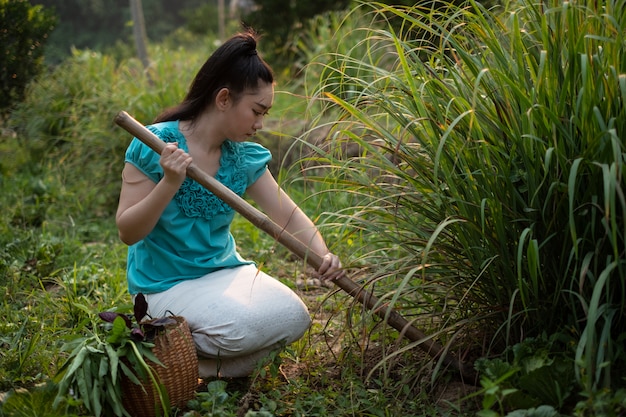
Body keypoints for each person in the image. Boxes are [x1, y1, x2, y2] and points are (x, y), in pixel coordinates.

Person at [115, 29, 344, 379]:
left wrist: (321, 252)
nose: (260, 124)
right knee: (241, 331)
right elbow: (128, 231)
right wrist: (169, 183)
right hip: (163, 286)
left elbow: (286, 212)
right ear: (224, 99)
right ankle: (171, 346)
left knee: (296, 317)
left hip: (226, 273)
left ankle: (195, 369)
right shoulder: (155, 143)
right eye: (256, 111)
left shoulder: (241, 158)